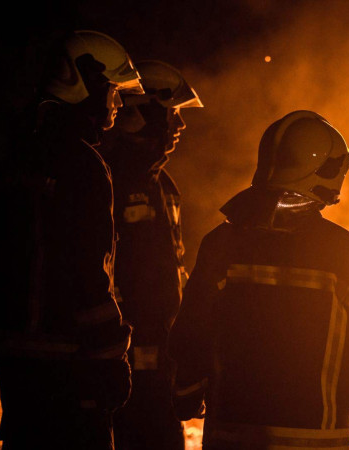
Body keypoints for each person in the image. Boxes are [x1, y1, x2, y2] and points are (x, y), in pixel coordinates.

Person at [168, 110, 349, 449]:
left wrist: (185, 395)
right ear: (324, 173)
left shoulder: (221, 245)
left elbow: (190, 336)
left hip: (231, 439)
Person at [0, 30, 143, 449]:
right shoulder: (84, 165)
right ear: (86, 82)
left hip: (16, 360)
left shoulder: (24, 152)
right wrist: (110, 354)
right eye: (113, 90)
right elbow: (90, 271)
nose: (118, 103)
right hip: (70, 360)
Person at [100, 60, 203, 450]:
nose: (180, 126)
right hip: (123, 360)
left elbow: (169, 270)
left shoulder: (163, 185)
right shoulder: (107, 179)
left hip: (161, 358)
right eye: (172, 114)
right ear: (139, 114)